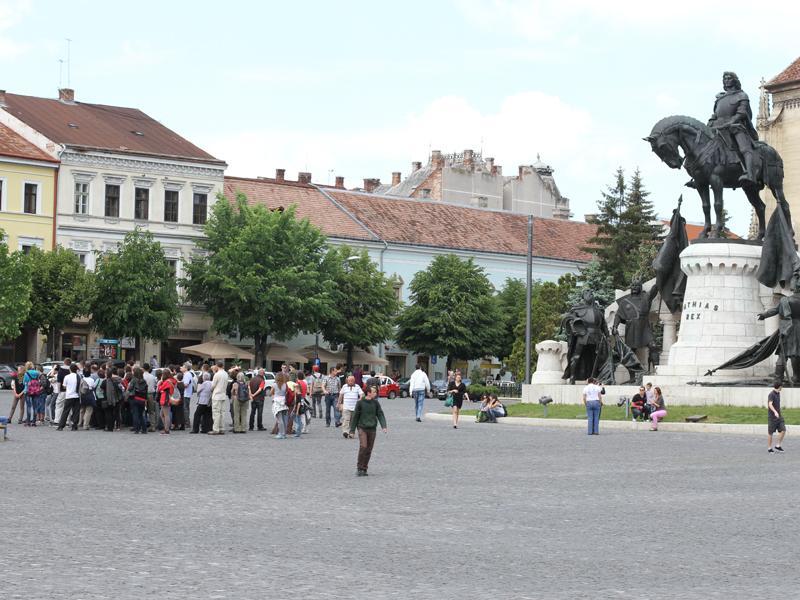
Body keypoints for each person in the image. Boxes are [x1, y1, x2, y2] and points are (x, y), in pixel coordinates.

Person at [707, 71, 758, 185]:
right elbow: (715, 114)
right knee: (704, 145)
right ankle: (702, 175)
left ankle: (750, 173)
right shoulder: (720, 98)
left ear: (735, 80)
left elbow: (742, 113)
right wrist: (710, 122)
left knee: (744, 148)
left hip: (735, 127)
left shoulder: (742, 95)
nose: (726, 80)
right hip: (718, 127)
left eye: (729, 78)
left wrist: (731, 122)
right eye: (725, 78)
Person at [350, 385, 388, 476]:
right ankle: (359, 467)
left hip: (372, 429)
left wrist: (384, 426)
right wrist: (352, 430)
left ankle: (364, 468)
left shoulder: (376, 403)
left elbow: (380, 414)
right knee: (363, 446)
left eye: (376, 392)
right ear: (368, 393)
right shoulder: (360, 403)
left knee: (369, 449)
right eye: (374, 392)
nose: (375, 393)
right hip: (362, 427)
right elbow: (355, 416)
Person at [338, 374, 364, 439]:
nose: (351, 381)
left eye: (352, 380)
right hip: (346, 407)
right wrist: (339, 403)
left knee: (353, 421)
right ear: (347, 381)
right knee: (346, 420)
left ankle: (351, 433)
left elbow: (362, 394)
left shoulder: (357, 386)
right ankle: (345, 432)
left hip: (355, 407)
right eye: (349, 380)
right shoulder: (344, 386)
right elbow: (341, 395)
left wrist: (360, 399)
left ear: (354, 381)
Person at [57, 364, 81, 431]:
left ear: (70, 369)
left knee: (65, 411)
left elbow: (64, 386)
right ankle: (74, 426)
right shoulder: (78, 376)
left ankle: (61, 426)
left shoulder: (67, 377)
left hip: (69, 395)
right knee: (76, 411)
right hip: (77, 396)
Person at [127, 367, 149, 434]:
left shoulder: (133, 380)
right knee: (141, 414)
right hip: (142, 399)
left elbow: (130, 389)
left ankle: (137, 429)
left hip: (134, 398)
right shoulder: (144, 380)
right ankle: (144, 429)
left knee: (135, 414)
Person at [209, 362, 229, 435]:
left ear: (217, 366)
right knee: (222, 413)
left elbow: (213, 385)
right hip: (223, 395)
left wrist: (211, 390)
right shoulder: (226, 374)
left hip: (217, 395)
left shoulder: (217, 374)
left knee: (216, 413)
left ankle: (216, 429)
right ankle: (221, 428)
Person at [768, 381, 786, 453]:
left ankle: (777, 445)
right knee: (770, 433)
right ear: (780, 387)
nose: (782, 388)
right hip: (772, 417)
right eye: (782, 386)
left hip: (779, 416)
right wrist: (775, 412)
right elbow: (770, 404)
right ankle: (769, 448)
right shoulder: (771, 394)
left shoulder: (778, 393)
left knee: (783, 430)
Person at [22, 362, 42, 427]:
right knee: (35, 406)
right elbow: (39, 381)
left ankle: (28, 422)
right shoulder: (37, 373)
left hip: (28, 390)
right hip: (36, 391)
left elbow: (24, 382)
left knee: (28, 406)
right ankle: (34, 422)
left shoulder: (26, 373)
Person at [271, 372, 290, 439]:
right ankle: (284, 433)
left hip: (277, 402)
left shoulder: (274, 385)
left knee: (279, 419)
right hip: (284, 402)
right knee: (284, 419)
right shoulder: (285, 385)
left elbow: (271, 392)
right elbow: (286, 392)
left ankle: (281, 433)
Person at [142, 363, 158, 432]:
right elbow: (155, 385)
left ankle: (143, 425)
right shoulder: (152, 377)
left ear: (143, 368)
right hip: (151, 394)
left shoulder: (142, 376)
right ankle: (153, 426)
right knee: (151, 411)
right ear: (149, 369)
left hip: (143, 394)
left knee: (143, 411)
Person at [180, 363, 195, 432]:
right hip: (188, 393)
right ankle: (187, 421)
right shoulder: (188, 374)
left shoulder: (186, 374)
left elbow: (185, 384)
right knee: (186, 408)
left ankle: (187, 422)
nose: (181, 367)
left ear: (186, 368)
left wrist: (179, 383)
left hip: (186, 393)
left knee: (185, 408)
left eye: (182, 367)